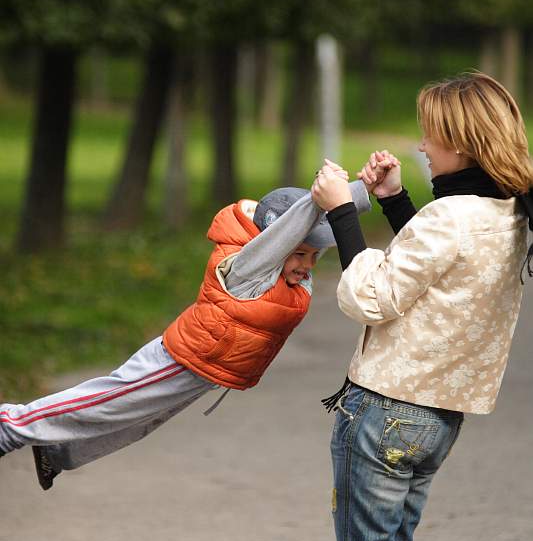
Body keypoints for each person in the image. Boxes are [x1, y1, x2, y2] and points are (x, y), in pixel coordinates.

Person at [311, 72, 533, 541]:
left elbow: (372, 298)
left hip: (384, 412)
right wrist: (394, 200)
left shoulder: (451, 217)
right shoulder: (509, 215)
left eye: (430, 136)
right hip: (436, 420)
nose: (422, 148)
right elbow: (435, 268)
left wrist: (342, 214)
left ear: (460, 144)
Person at [0, 166, 373, 490]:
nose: (307, 265)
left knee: (137, 423)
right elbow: (285, 235)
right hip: (178, 360)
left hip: (203, 371)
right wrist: (316, 198)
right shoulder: (246, 268)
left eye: (314, 256)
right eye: (300, 253)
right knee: (108, 400)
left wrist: (363, 188)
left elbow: (321, 227)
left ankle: (56, 449)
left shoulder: (292, 279)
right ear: (276, 243)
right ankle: (10, 424)